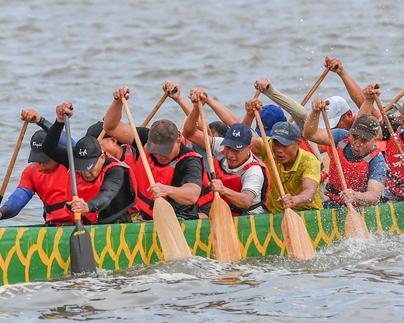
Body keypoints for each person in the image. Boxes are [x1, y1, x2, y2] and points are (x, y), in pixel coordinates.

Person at [103, 86, 209, 220]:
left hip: (179, 219)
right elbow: (110, 127)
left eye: (164, 150)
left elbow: (192, 194)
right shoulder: (144, 139)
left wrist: (167, 190)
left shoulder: (190, 161)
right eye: (155, 150)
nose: (159, 155)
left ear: (178, 139)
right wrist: (117, 102)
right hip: (145, 216)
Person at [42, 102, 134, 224]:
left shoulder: (116, 170)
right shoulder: (75, 160)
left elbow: (106, 196)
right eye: (82, 168)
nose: (86, 173)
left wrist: (87, 207)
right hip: (84, 223)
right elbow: (48, 148)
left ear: (102, 158)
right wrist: (59, 122)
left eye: (90, 167)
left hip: (115, 223)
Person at [182, 89, 269, 215]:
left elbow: (246, 201)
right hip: (224, 211)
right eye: (228, 147)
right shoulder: (221, 146)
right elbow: (189, 133)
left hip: (249, 217)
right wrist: (196, 108)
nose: (230, 154)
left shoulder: (254, 171)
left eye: (236, 150)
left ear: (249, 148)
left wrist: (223, 189)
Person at [0, 109, 72, 226]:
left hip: (79, 222)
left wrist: (41, 121)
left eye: (45, 159)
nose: (42, 164)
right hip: (53, 225)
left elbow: (69, 143)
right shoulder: (31, 172)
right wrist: (0, 214)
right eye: (38, 159)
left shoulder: (72, 162)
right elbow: (18, 199)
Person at [302, 97, 386, 207]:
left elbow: (374, 196)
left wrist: (355, 196)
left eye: (364, 140)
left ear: (374, 140)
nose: (356, 143)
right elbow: (310, 135)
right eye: (354, 137)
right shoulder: (341, 136)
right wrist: (315, 112)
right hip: (331, 201)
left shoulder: (378, 161)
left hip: (359, 207)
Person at [243, 107, 322, 213]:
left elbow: (309, 192)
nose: (279, 150)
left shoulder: (309, 161)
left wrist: (294, 200)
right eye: (276, 143)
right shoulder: (268, 145)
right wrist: (249, 115)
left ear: (298, 144)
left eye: (285, 145)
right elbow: (241, 141)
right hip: (276, 213)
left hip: (307, 211)